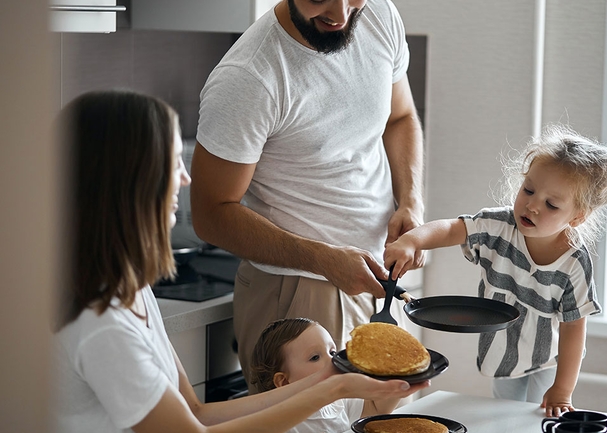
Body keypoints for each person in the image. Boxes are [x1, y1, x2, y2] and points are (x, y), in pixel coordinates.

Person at [52, 89, 429, 433]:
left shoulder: (131, 290)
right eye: (173, 163)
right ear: (129, 183)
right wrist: (335, 388)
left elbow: (196, 411)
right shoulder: (102, 325)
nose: (185, 179)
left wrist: (330, 384)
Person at [191, 0, 425, 391]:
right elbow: (210, 214)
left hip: (374, 282)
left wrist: (410, 202)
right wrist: (322, 258)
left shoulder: (379, 14)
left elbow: (400, 117)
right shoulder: (249, 76)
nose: (340, 13)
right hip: (299, 292)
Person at [383, 124, 607, 416]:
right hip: (502, 353)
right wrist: (411, 240)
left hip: (548, 360)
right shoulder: (500, 226)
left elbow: (573, 329)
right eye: (528, 189)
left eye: (551, 204)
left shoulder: (573, 263)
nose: (532, 205)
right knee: (506, 416)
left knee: (537, 419)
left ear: (577, 217)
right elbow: (453, 229)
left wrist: (563, 389)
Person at [250, 318, 406, 433]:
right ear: (284, 382)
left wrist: (401, 371)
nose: (333, 360)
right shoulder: (283, 425)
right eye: (315, 357)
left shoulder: (337, 401)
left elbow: (376, 409)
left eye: (332, 352)